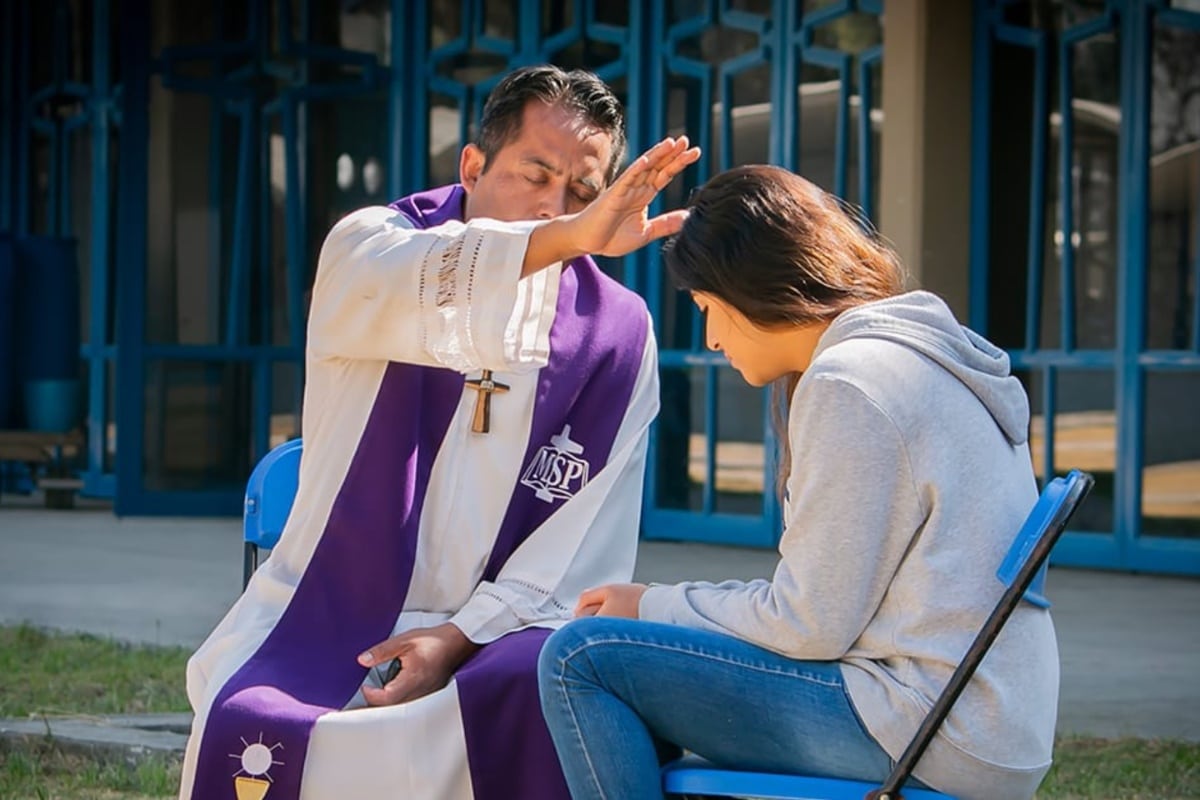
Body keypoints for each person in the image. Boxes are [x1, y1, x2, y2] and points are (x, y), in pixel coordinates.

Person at [178, 65, 699, 800]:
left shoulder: (617, 334)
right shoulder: (374, 244)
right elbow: (438, 280)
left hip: (493, 632)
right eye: (535, 174)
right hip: (327, 609)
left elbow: (580, 546)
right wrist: (568, 233)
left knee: (541, 692)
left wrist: (455, 640)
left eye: (584, 193)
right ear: (473, 165)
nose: (557, 206)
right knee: (261, 724)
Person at [538, 164, 1058, 800]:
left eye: (709, 308)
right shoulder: (915, 355)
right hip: (984, 725)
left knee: (581, 658)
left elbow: (808, 622)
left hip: (931, 731)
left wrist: (651, 604)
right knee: (627, 659)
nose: (710, 337)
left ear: (752, 286)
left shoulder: (853, 383)